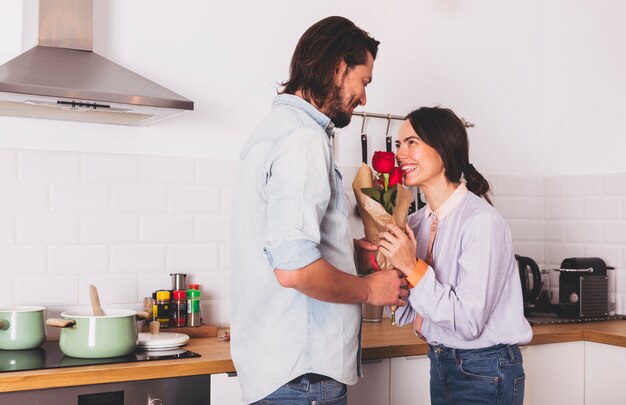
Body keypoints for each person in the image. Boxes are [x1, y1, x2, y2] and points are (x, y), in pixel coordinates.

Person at [231, 16, 408, 405]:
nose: (364, 98)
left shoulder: (270, 132)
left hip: (281, 371)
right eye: (364, 82)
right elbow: (294, 269)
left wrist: (348, 255)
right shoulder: (303, 140)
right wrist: (369, 289)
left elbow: (281, 248)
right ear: (338, 68)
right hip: (303, 378)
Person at [377, 106, 533, 404]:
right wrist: (386, 268)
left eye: (412, 142)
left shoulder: (481, 222)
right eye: (398, 144)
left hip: (486, 369)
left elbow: (468, 323)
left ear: (444, 148)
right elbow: (407, 315)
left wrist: (411, 266)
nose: (399, 153)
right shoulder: (416, 222)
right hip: (442, 363)